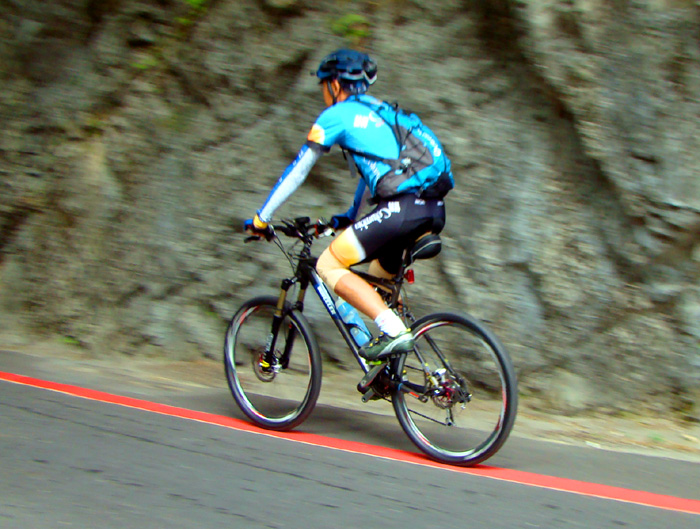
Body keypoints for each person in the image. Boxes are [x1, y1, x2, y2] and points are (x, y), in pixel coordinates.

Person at [244, 49, 453, 363]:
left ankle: (394, 332)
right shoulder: (381, 110)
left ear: (334, 84)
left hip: (401, 210)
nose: (323, 92)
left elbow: (298, 170)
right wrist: (348, 217)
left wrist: (262, 218)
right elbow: (374, 176)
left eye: (323, 85)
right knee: (374, 282)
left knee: (328, 265)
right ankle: (395, 371)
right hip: (432, 208)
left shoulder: (337, 115)